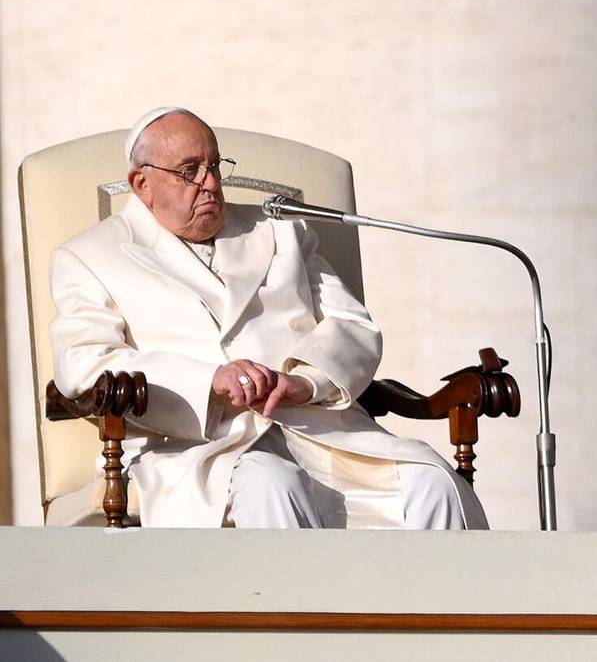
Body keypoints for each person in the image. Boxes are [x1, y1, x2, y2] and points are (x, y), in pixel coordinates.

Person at [49, 107, 487, 529]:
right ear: (141, 184)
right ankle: (298, 610)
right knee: (272, 485)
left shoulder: (280, 229)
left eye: (215, 166)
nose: (211, 184)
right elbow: (82, 364)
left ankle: (430, 608)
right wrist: (210, 381)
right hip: (205, 448)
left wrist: (307, 380)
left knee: (431, 482)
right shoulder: (89, 257)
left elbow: (353, 326)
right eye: (190, 171)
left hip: (322, 433)